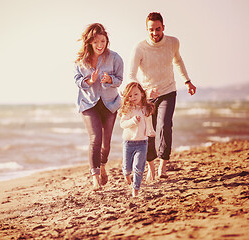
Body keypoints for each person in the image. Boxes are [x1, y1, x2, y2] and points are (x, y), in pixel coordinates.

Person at [128, 12, 196, 180]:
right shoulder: (140, 48)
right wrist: (143, 92)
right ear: (147, 29)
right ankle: (151, 167)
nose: (155, 33)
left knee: (165, 125)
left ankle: (163, 166)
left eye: (158, 29)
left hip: (168, 91)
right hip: (147, 96)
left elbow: (178, 61)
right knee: (149, 131)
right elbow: (131, 75)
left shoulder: (173, 43)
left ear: (163, 27)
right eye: (151, 29)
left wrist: (187, 81)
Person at [74, 23, 124, 190]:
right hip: (89, 103)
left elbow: (119, 79)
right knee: (95, 139)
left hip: (110, 103)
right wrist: (89, 81)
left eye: (102, 41)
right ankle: (94, 177)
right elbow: (77, 80)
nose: (100, 45)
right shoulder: (81, 61)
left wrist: (110, 80)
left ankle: (103, 166)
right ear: (89, 43)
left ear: (106, 40)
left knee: (106, 143)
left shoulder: (115, 58)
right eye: (96, 42)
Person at [119, 82, 155, 197]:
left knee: (139, 168)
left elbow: (148, 122)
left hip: (142, 143)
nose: (133, 97)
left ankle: (135, 190)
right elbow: (122, 124)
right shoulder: (128, 109)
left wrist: (151, 131)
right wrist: (133, 121)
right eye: (130, 96)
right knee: (128, 167)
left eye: (135, 94)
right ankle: (126, 174)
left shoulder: (146, 109)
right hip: (128, 143)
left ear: (142, 94)